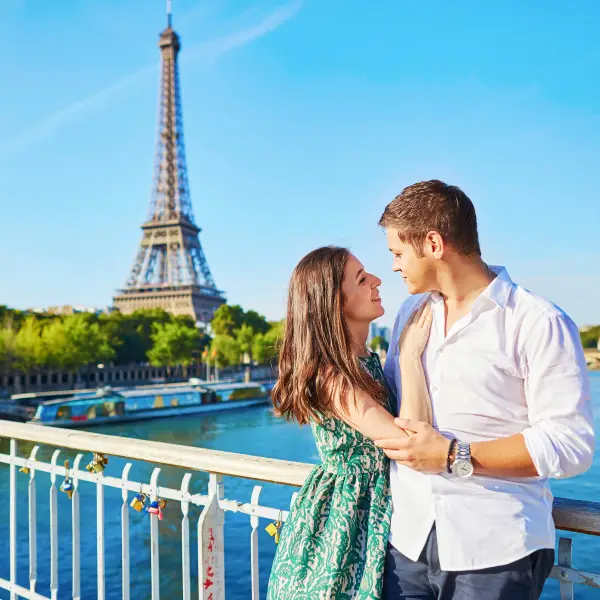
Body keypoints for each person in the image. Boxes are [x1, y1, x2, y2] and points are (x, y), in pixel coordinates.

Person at [374, 180, 595, 600]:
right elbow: (396, 408)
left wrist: (454, 455)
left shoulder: (538, 322)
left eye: (398, 253)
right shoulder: (409, 314)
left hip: (494, 550)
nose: (395, 266)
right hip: (408, 539)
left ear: (434, 243)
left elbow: (571, 445)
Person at [267, 245, 433, 599]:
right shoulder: (330, 375)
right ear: (333, 302)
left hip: (366, 510)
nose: (376, 280)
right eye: (361, 279)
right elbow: (405, 440)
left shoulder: (365, 361)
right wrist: (411, 356)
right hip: (344, 522)